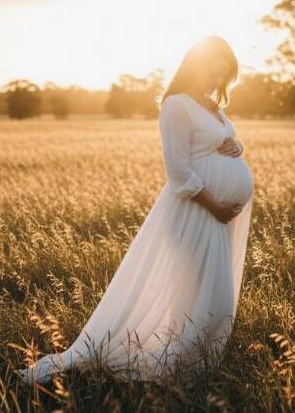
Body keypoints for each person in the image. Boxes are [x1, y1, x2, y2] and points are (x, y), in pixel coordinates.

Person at [18, 35, 254, 384]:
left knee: (213, 295)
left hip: (221, 215)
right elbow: (178, 171)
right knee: (204, 295)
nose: (219, 74)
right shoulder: (177, 105)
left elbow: (218, 141)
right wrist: (215, 205)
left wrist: (236, 145)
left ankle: (191, 365)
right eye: (214, 65)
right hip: (196, 212)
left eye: (226, 69)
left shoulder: (212, 105)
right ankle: (175, 367)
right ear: (196, 64)